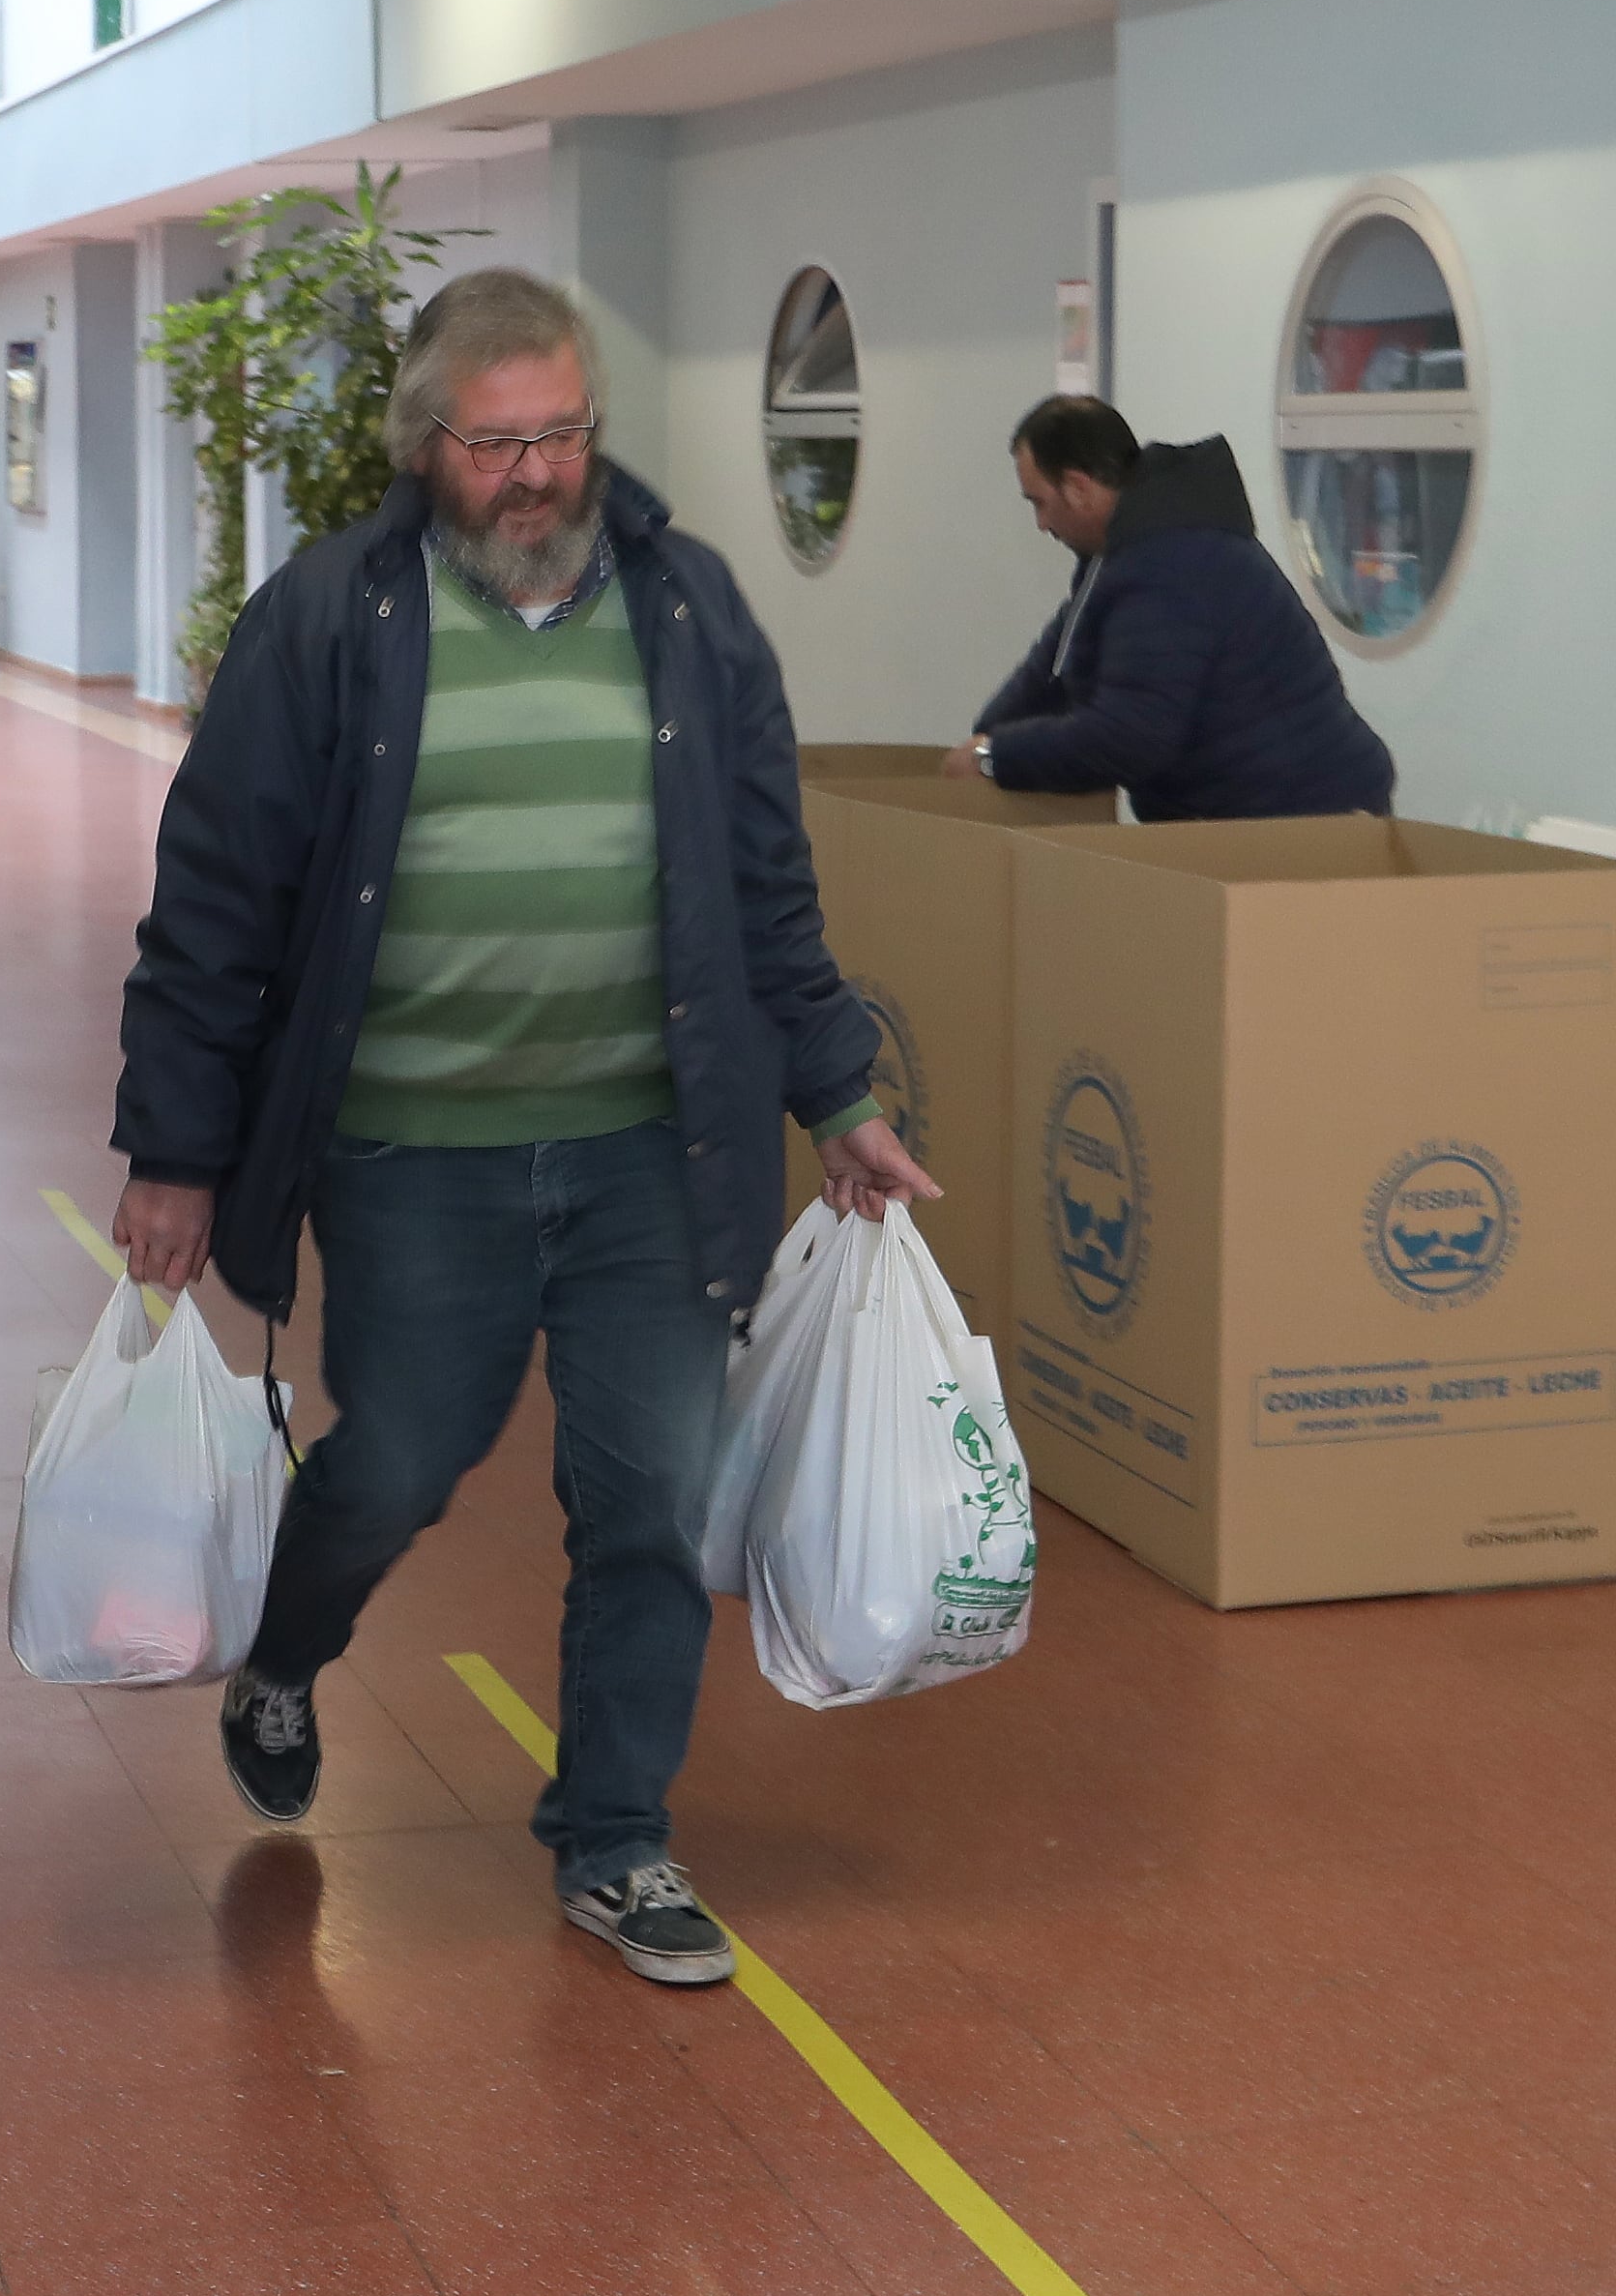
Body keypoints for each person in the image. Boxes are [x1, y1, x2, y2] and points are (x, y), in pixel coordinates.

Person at [110, 268, 936, 1989]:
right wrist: (176, 1150)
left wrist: (837, 1092)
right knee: (400, 1457)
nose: (534, 476)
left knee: (648, 1498)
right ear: (425, 446)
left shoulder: (689, 609)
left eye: (558, 435)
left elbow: (763, 889)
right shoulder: (331, 616)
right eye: (494, 446)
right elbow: (215, 901)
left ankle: (617, 1838)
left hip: (652, 1148)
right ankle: (285, 1651)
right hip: (416, 1153)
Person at [945, 395, 1396, 821]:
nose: (1041, 525)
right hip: (1253, 813)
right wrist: (989, 738)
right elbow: (1057, 669)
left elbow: (1132, 736)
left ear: (1078, 488)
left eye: (1039, 503)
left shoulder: (1168, 568)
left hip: (1303, 821)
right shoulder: (1118, 558)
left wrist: (995, 757)